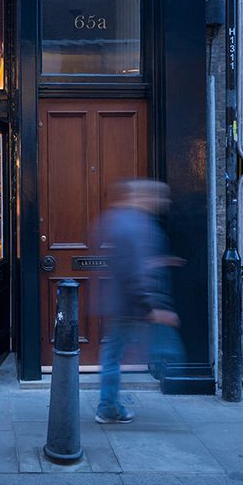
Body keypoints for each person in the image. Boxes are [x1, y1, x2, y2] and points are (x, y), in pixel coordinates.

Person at [93, 179, 180, 424]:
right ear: (145, 198)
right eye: (160, 198)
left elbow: (131, 263)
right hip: (130, 304)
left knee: (114, 353)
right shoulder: (137, 225)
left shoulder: (118, 219)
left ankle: (108, 404)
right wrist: (151, 309)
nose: (164, 202)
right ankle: (108, 405)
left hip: (122, 301)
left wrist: (161, 262)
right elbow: (133, 271)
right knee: (116, 355)